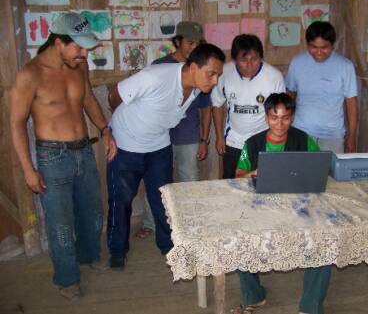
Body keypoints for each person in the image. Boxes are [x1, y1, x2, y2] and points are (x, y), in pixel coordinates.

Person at [9, 12, 117, 301]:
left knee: (93, 213)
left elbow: (88, 100)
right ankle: (67, 279)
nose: (84, 55)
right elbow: (17, 123)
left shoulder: (78, 65)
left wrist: (105, 129)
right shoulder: (29, 74)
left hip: (83, 149)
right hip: (52, 156)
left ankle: (89, 256)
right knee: (60, 224)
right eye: (79, 48)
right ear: (58, 42)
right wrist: (28, 169)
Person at [107, 43, 225, 270]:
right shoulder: (155, 77)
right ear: (192, 67)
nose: (215, 81)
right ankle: (117, 252)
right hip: (125, 147)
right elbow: (115, 95)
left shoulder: (198, 88)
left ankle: (167, 245)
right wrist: (113, 129)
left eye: (218, 75)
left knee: (164, 200)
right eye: (211, 74)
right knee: (120, 201)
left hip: (159, 147)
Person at [234, 93, 330, 314]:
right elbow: (238, 176)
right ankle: (254, 296)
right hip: (261, 205)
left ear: (293, 117)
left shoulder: (303, 139)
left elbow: (319, 169)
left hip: (299, 205)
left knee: (324, 240)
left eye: (286, 118)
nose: (280, 123)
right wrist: (254, 172)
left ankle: (310, 307)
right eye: (274, 117)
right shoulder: (253, 142)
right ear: (266, 117)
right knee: (239, 239)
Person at [135, 21, 212, 239]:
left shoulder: (200, 68)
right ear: (177, 41)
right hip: (159, 136)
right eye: (190, 42)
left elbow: (205, 109)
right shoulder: (160, 65)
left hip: (189, 136)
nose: (194, 47)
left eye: (198, 43)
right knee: (157, 181)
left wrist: (204, 139)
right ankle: (151, 223)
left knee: (189, 180)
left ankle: (192, 223)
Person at [211, 34, 285, 179]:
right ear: (234, 59)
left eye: (255, 59)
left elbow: (280, 112)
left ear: (261, 57)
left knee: (262, 182)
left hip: (262, 141)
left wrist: (277, 141)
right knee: (230, 182)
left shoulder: (274, 76)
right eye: (243, 60)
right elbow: (217, 104)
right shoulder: (224, 74)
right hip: (233, 141)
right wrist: (219, 137)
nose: (249, 65)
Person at [286, 21, 358, 154]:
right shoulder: (297, 62)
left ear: (333, 45)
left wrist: (352, 137)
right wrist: (286, 125)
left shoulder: (345, 66)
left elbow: (351, 103)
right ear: (307, 44)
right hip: (301, 132)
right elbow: (290, 95)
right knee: (300, 173)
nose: (319, 52)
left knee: (330, 174)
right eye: (314, 47)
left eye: (324, 47)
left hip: (333, 136)